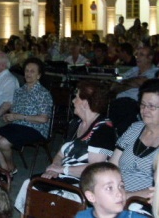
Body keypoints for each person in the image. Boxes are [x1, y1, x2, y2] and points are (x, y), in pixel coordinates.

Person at [14, 80, 117, 213]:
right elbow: (61, 153)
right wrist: (53, 168)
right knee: (30, 184)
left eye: (76, 97)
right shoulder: (75, 123)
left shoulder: (103, 129)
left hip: (84, 181)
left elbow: (95, 169)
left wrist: (62, 169)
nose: (73, 101)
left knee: (54, 198)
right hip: (64, 175)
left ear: (85, 103)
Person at [0, 57, 53, 174]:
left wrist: (18, 117)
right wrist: (9, 116)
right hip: (18, 125)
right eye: (27, 71)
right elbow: (14, 111)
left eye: (32, 71)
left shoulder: (43, 93)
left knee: (3, 142)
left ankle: (10, 167)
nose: (28, 74)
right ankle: (6, 169)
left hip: (35, 128)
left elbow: (43, 119)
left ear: (39, 75)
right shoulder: (19, 91)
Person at [109, 78, 159, 199]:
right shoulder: (135, 128)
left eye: (151, 107)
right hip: (117, 195)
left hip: (145, 203)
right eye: (142, 105)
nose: (145, 110)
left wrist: (127, 196)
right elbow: (112, 165)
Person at [76, 162, 145, 218]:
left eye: (121, 186)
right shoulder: (82, 216)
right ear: (91, 197)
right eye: (109, 188)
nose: (120, 193)